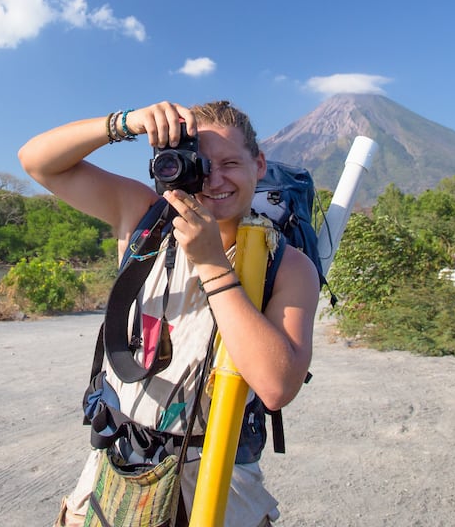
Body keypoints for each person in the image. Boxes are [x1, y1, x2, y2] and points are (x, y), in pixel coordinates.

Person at [18, 100, 319, 527]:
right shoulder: (143, 217)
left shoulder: (285, 265)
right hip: (118, 466)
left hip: (217, 481)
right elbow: (38, 162)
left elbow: (276, 387)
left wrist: (214, 264)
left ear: (259, 164)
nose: (214, 179)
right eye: (200, 163)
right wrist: (127, 123)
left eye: (230, 163)